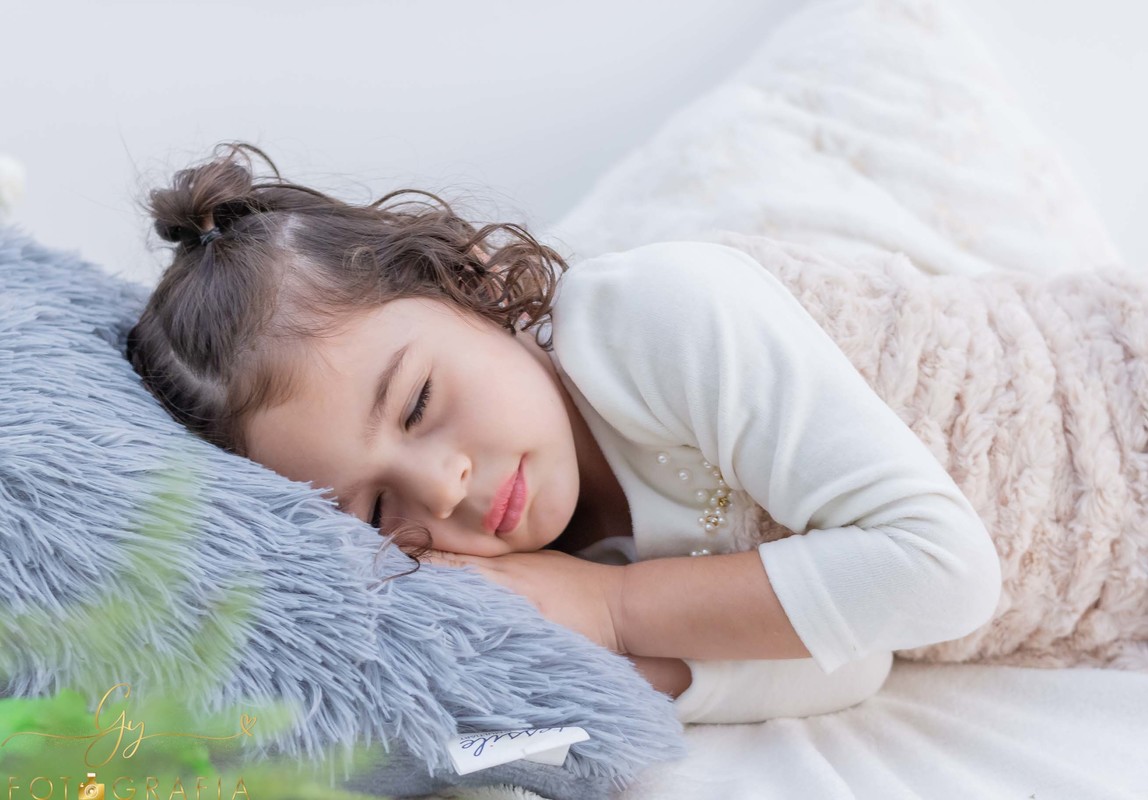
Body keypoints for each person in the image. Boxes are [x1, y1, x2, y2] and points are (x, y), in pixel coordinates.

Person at [125, 141, 1002, 724]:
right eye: (374, 507)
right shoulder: (505, 575)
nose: (441, 489)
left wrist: (614, 614)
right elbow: (858, 661)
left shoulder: (657, 318)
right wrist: (590, 652)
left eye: (419, 404)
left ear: (461, 277)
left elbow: (944, 572)